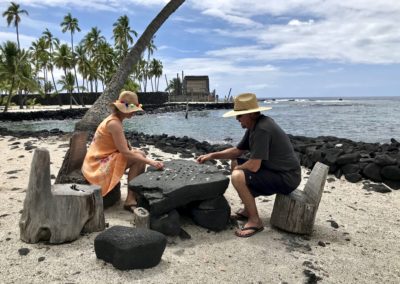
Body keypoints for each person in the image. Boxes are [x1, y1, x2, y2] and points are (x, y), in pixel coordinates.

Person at [197, 93, 301, 238]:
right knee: (236, 163)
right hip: (275, 170)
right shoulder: (254, 126)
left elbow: (253, 166)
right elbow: (237, 151)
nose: (237, 119)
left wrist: (237, 173)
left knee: (238, 176)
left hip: (287, 177)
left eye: (239, 116)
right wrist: (212, 155)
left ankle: (255, 221)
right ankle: (248, 209)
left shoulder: (262, 129)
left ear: (251, 114)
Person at [82, 91, 164, 211]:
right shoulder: (114, 123)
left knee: (140, 155)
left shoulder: (114, 120)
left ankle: (133, 195)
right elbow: (125, 153)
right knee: (139, 159)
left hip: (97, 159)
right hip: (97, 165)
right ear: (124, 109)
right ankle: (130, 199)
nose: (134, 112)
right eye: (133, 108)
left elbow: (122, 148)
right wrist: (151, 162)